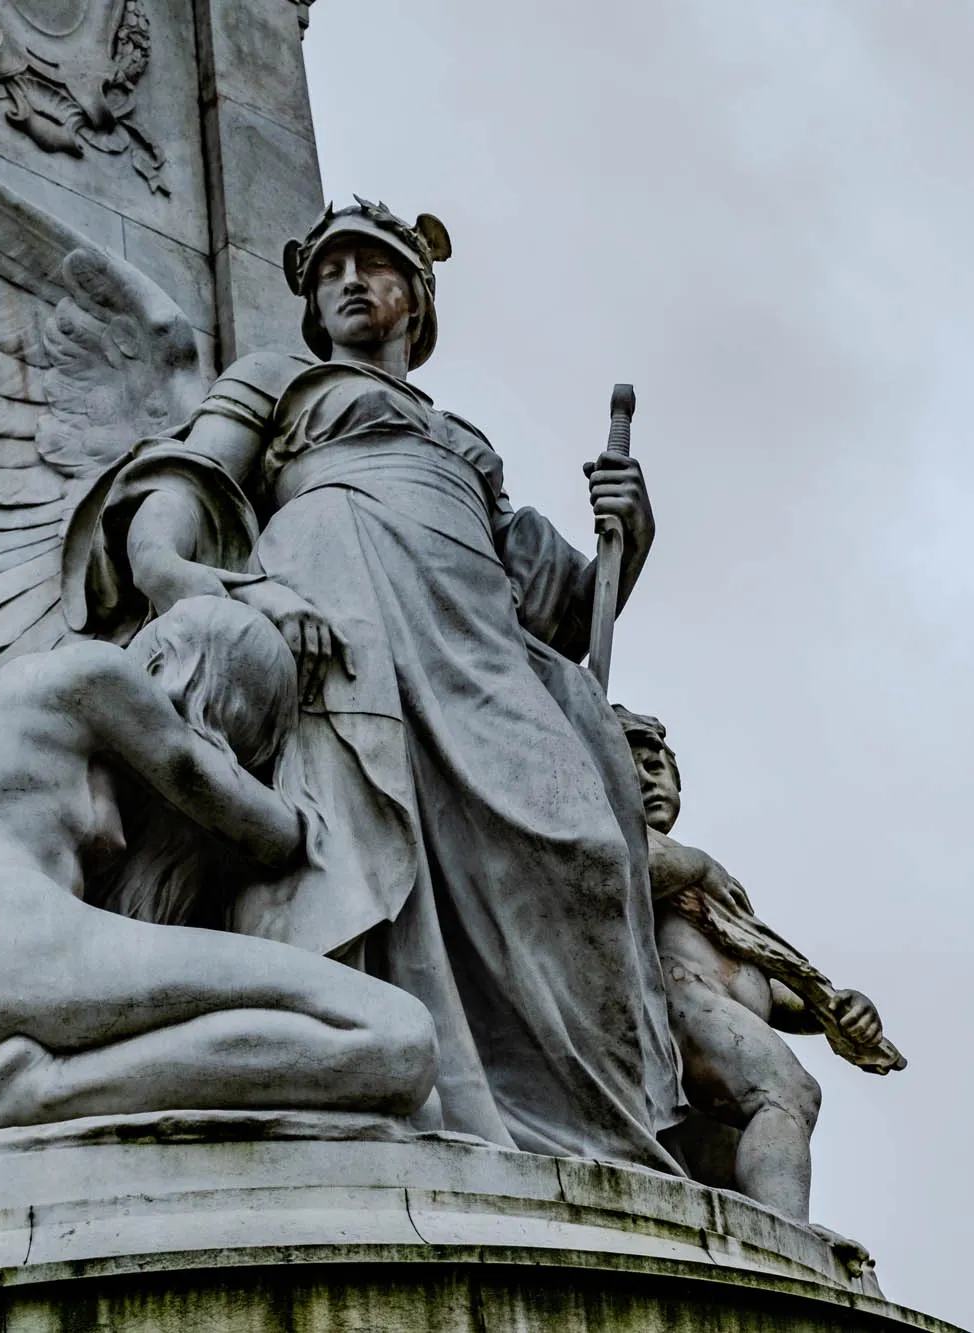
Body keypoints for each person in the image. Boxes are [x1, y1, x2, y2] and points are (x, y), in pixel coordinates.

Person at [70, 198, 682, 1169]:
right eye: (330, 270)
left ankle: (588, 1140)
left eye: (374, 266)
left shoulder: (462, 438)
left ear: (417, 300)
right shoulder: (281, 378)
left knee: (582, 845)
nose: (349, 281)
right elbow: (187, 481)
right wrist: (185, 574)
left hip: (477, 633)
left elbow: (552, 603)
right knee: (360, 827)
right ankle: (391, 1089)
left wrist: (627, 537)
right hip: (340, 585)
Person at [0, 596, 438, 1147]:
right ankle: (42, 1093)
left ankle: (45, 1086)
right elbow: (240, 812)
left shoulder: (24, 738)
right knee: (398, 1034)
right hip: (7, 953)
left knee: (406, 1083)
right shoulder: (98, 673)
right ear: (178, 669)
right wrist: (317, 810)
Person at [615, 706, 901, 1224]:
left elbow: (760, 980)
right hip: (679, 1007)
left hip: (724, 1020)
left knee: (730, 1164)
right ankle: (793, 1239)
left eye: (656, 768)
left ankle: (775, 1233)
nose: (646, 780)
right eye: (628, 766)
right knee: (788, 1092)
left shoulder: (711, 879)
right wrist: (698, 866)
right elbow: (620, 871)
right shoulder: (619, 836)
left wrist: (833, 1009)